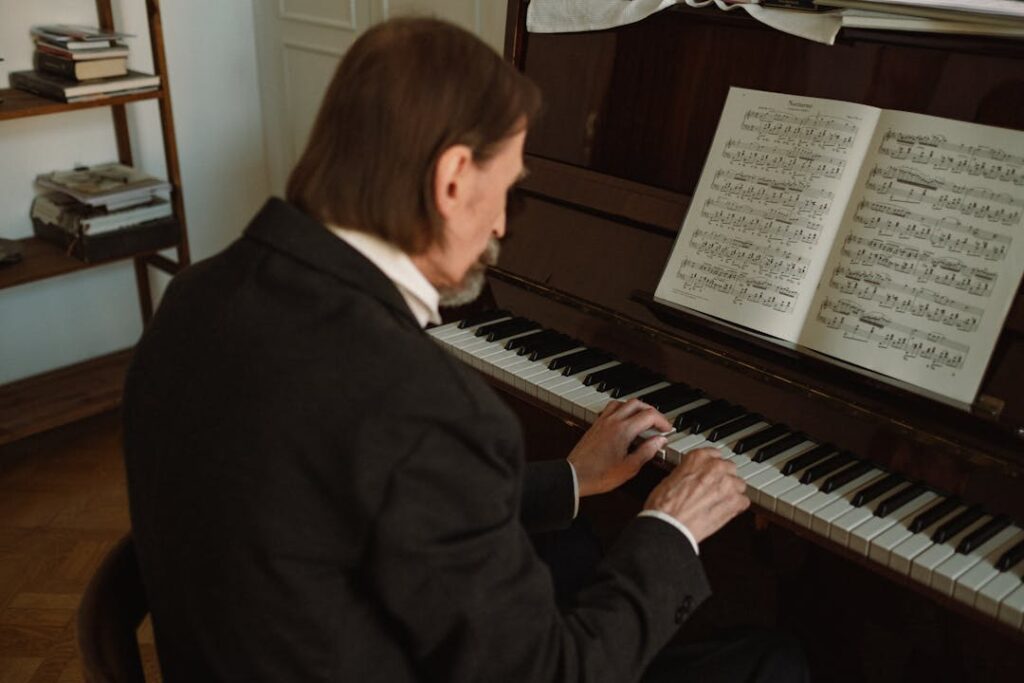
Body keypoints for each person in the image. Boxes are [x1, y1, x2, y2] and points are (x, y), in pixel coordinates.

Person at [123, 16, 806, 682]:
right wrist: (669, 526)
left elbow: (352, 484)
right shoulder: (422, 400)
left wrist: (571, 479)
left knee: (567, 540)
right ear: (452, 179)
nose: (505, 223)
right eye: (507, 187)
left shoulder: (194, 297)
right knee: (770, 661)